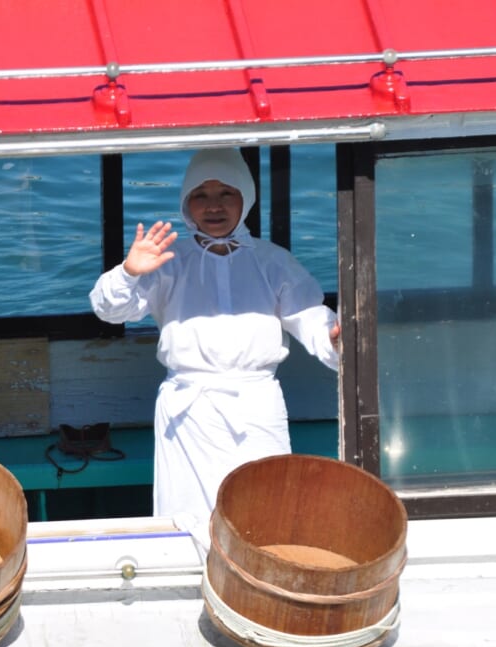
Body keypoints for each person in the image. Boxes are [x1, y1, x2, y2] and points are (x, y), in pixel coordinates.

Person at [89, 147, 340, 550]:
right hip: (188, 413)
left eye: (226, 193)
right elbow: (111, 310)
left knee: (266, 514)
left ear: (246, 198)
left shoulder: (273, 261)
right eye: (201, 196)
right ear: (186, 204)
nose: (214, 206)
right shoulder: (168, 260)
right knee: (186, 525)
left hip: (256, 406)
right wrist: (129, 272)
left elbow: (311, 317)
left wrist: (333, 336)